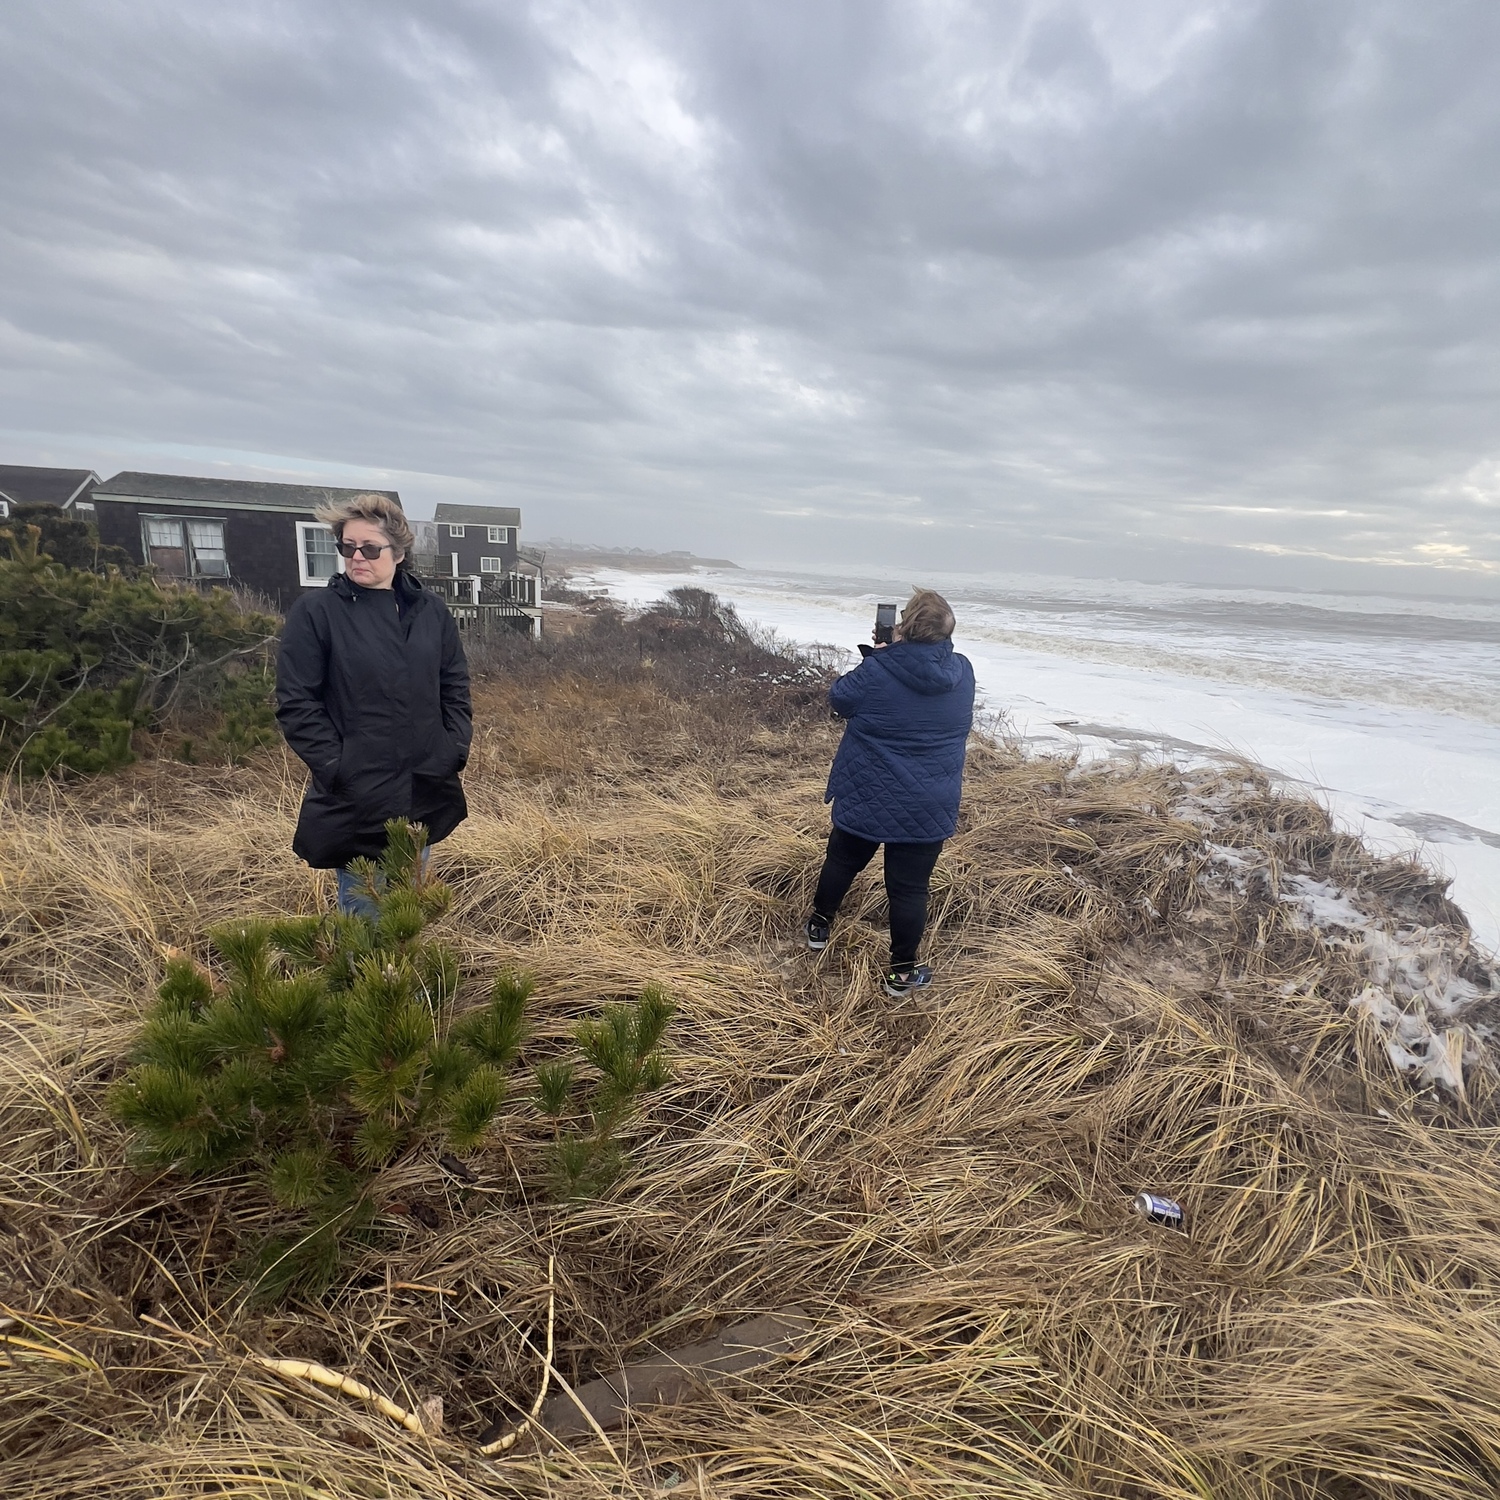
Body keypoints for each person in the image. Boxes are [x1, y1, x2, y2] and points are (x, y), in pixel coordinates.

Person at [275, 493, 472, 915]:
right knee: (364, 924)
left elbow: (453, 684)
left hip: (423, 785)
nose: (356, 557)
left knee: (410, 916)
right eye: (347, 547)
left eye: (369, 548)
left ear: (398, 552)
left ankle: (405, 982)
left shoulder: (430, 612)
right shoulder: (317, 613)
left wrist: (452, 748)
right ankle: (359, 981)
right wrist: (338, 766)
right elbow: (297, 703)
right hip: (359, 796)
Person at [806, 589, 975, 996]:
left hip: (868, 791)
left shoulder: (878, 671)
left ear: (904, 626)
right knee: (910, 889)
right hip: (927, 803)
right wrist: (893, 655)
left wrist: (881, 655)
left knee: (843, 862)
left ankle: (818, 926)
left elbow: (839, 698)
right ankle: (901, 976)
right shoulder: (963, 672)